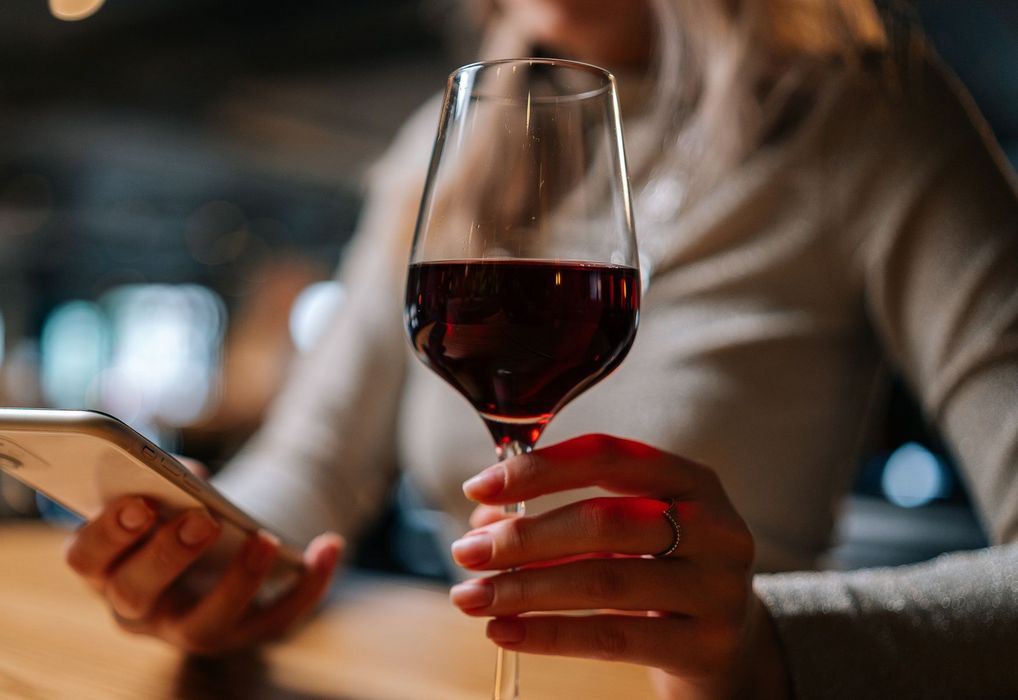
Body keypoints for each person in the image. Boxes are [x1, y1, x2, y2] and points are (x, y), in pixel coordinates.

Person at [63, 1, 1018, 697]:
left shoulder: (872, 118)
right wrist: (205, 560)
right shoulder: (441, 145)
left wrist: (773, 641)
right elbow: (310, 471)